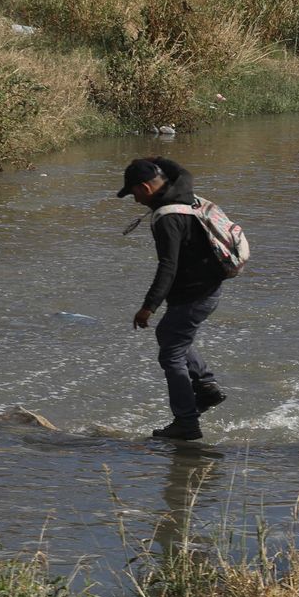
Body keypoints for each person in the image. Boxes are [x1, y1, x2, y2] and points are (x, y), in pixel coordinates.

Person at [119, 157, 227, 442]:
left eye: (134, 193)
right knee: (171, 335)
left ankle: (186, 423)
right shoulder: (183, 189)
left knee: (171, 353)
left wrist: (148, 307)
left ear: (145, 187)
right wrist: (154, 159)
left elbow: (168, 266)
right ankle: (205, 388)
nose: (136, 201)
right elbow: (182, 169)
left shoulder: (168, 218)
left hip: (195, 293)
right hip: (207, 287)